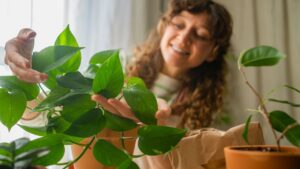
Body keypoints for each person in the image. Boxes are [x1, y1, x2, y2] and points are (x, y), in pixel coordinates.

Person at [4, 0, 232, 168]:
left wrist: (156, 130)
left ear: (213, 51)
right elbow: (54, 120)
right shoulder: (115, 70)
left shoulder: (214, 111)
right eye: (179, 25)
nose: (184, 38)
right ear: (165, 25)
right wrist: (26, 75)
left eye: (200, 34)